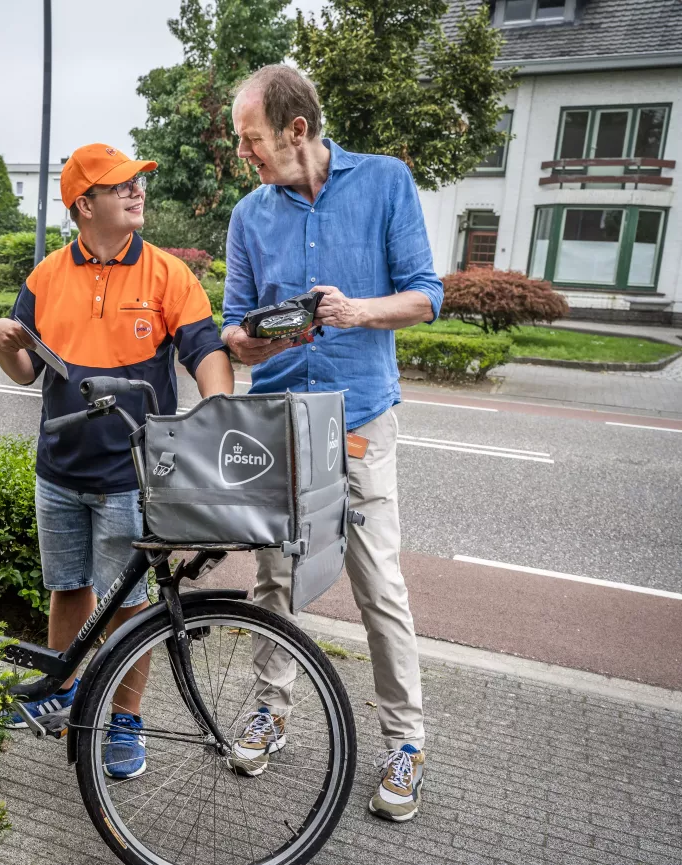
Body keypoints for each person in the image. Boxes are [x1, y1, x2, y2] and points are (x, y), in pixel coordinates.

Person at [220, 65, 443, 822]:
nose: (244, 153)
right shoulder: (249, 215)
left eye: (252, 139)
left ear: (296, 131)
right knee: (274, 580)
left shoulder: (386, 183)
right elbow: (233, 319)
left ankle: (406, 745)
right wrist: (244, 342)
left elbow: (425, 295)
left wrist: (356, 311)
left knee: (379, 586)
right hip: (280, 421)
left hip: (359, 421)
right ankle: (271, 710)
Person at [0, 142, 234, 780]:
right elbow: (23, 373)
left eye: (137, 182)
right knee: (66, 586)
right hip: (59, 469)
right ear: (83, 205)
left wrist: (218, 412)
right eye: (120, 185)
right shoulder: (45, 277)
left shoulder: (166, 273)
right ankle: (62, 690)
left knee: (130, 606)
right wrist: (1, 343)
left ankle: (124, 722)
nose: (136, 191)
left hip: (132, 475)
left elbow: (204, 349)